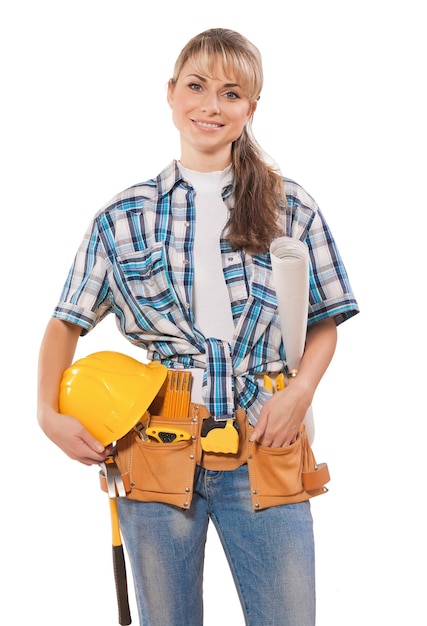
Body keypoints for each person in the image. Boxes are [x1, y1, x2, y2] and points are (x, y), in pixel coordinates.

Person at [37, 28, 359, 626]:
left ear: (251, 109)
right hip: (154, 445)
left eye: (231, 93)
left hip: (269, 442)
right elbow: (65, 322)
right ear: (171, 93)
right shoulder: (123, 218)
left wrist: (298, 393)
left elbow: (326, 322)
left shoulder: (291, 207)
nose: (211, 106)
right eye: (197, 86)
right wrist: (47, 414)